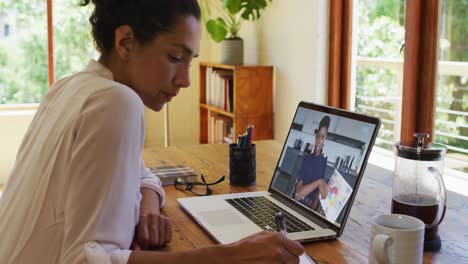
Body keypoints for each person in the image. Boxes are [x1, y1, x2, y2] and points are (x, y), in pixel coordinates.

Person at [0, 1, 304, 263]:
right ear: (126, 42)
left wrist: (147, 207)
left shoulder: (69, 87)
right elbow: (85, 260)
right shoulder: (117, 102)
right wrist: (233, 256)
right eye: (174, 58)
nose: (185, 80)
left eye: (190, 61)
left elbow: (141, 172)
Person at [294, 116, 331, 208]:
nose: (319, 140)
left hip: (309, 210)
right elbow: (297, 195)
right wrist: (319, 182)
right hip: (298, 205)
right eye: (318, 136)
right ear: (315, 136)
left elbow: (317, 196)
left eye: (322, 137)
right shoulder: (307, 159)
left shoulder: (323, 162)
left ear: (326, 139)